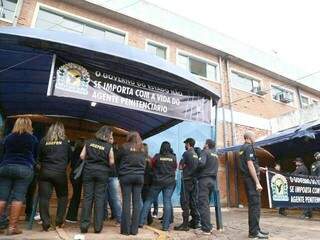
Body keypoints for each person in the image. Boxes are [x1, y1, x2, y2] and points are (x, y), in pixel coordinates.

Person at [0, 117, 38, 235]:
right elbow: (35, 156)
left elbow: (3, 153)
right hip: (24, 168)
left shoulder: (8, 138)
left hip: (6, 167)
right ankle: (12, 228)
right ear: (29, 125)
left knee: (2, 197)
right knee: (18, 198)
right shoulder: (33, 139)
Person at [37, 122, 72, 231]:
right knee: (63, 197)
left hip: (45, 172)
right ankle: (59, 221)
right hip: (59, 173)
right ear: (62, 130)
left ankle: (46, 223)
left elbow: (39, 157)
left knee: (44, 198)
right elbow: (69, 157)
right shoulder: (65, 141)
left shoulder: (43, 141)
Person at [80, 126, 114, 233]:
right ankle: (98, 227)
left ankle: (84, 226)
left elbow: (81, 156)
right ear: (108, 135)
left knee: (87, 198)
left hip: (88, 172)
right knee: (99, 199)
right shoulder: (109, 146)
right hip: (102, 173)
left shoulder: (89, 142)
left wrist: (90, 159)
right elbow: (112, 161)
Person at [140, 141, 177, 231]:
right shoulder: (173, 158)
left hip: (157, 182)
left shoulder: (157, 156)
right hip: (169, 183)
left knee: (148, 201)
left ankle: (140, 222)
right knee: (167, 202)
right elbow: (175, 168)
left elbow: (151, 166)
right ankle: (165, 226)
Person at [239, 131, 268, 239]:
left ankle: (256, 229)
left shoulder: (242, 148)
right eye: (254, 136)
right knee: (255, 206)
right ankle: (254, 232)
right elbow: (250, 165)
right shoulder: (249, 147)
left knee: (253, 206)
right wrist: (257, 183)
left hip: (247, 179)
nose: (255, 138)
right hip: (251, 180)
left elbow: (249, 165)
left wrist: (260, 169)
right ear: (249, 137)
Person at [117, 131, 145, 235]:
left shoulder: (124, 146)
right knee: (137, 203)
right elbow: (145, 162)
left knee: (126, 202)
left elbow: (117, 159)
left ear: (129, 137)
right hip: (139, 177)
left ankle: (125, 230)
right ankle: (134, 230)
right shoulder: (143, 148)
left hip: (126, 176)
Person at [174, 138, 200, 231]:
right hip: (194, 181)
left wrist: (184, 167)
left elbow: (180, 166)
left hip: (186, 180)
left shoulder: (186, 153)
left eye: (185, 144)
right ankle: (195, 222)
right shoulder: (196, 154)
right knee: (193, 202)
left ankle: (185, 226)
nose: (185, 145)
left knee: (185, 202)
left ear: (188, 144)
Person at [195, 139, 218, 235]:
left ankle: (206, 229)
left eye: (205, 143)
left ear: (207, 145)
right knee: (206, 204)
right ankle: (208, 225)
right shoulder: (215, 155)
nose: (204, 145)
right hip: (212, 181)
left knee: (203, 204)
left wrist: (195, 170)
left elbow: (201, 163)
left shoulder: (205, 152)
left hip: (204, 180)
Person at [104, 136, 122, 225]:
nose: (110, 139)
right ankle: (106, 216)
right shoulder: (107, 149)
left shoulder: (115, 151)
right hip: (109, 175)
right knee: (107, 198)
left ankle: (118, 218)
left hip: (112, 176)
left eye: (111, 138)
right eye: (109, 138)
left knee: (114, 198)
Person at [66, 139, 85, 223]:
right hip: (79, 176)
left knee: (75, 195)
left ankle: (71, 216)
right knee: (77, 196)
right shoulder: (83, 153)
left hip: (73, 175)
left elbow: (71, 165)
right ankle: (71, 217)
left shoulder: (74, 152)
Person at [140, 143, 154, 226]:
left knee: (142, 201)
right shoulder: (150, 159)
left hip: (141, 182)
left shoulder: (140, 158)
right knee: (146, 201)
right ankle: (148, 218)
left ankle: (147, 218)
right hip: (148, 183)